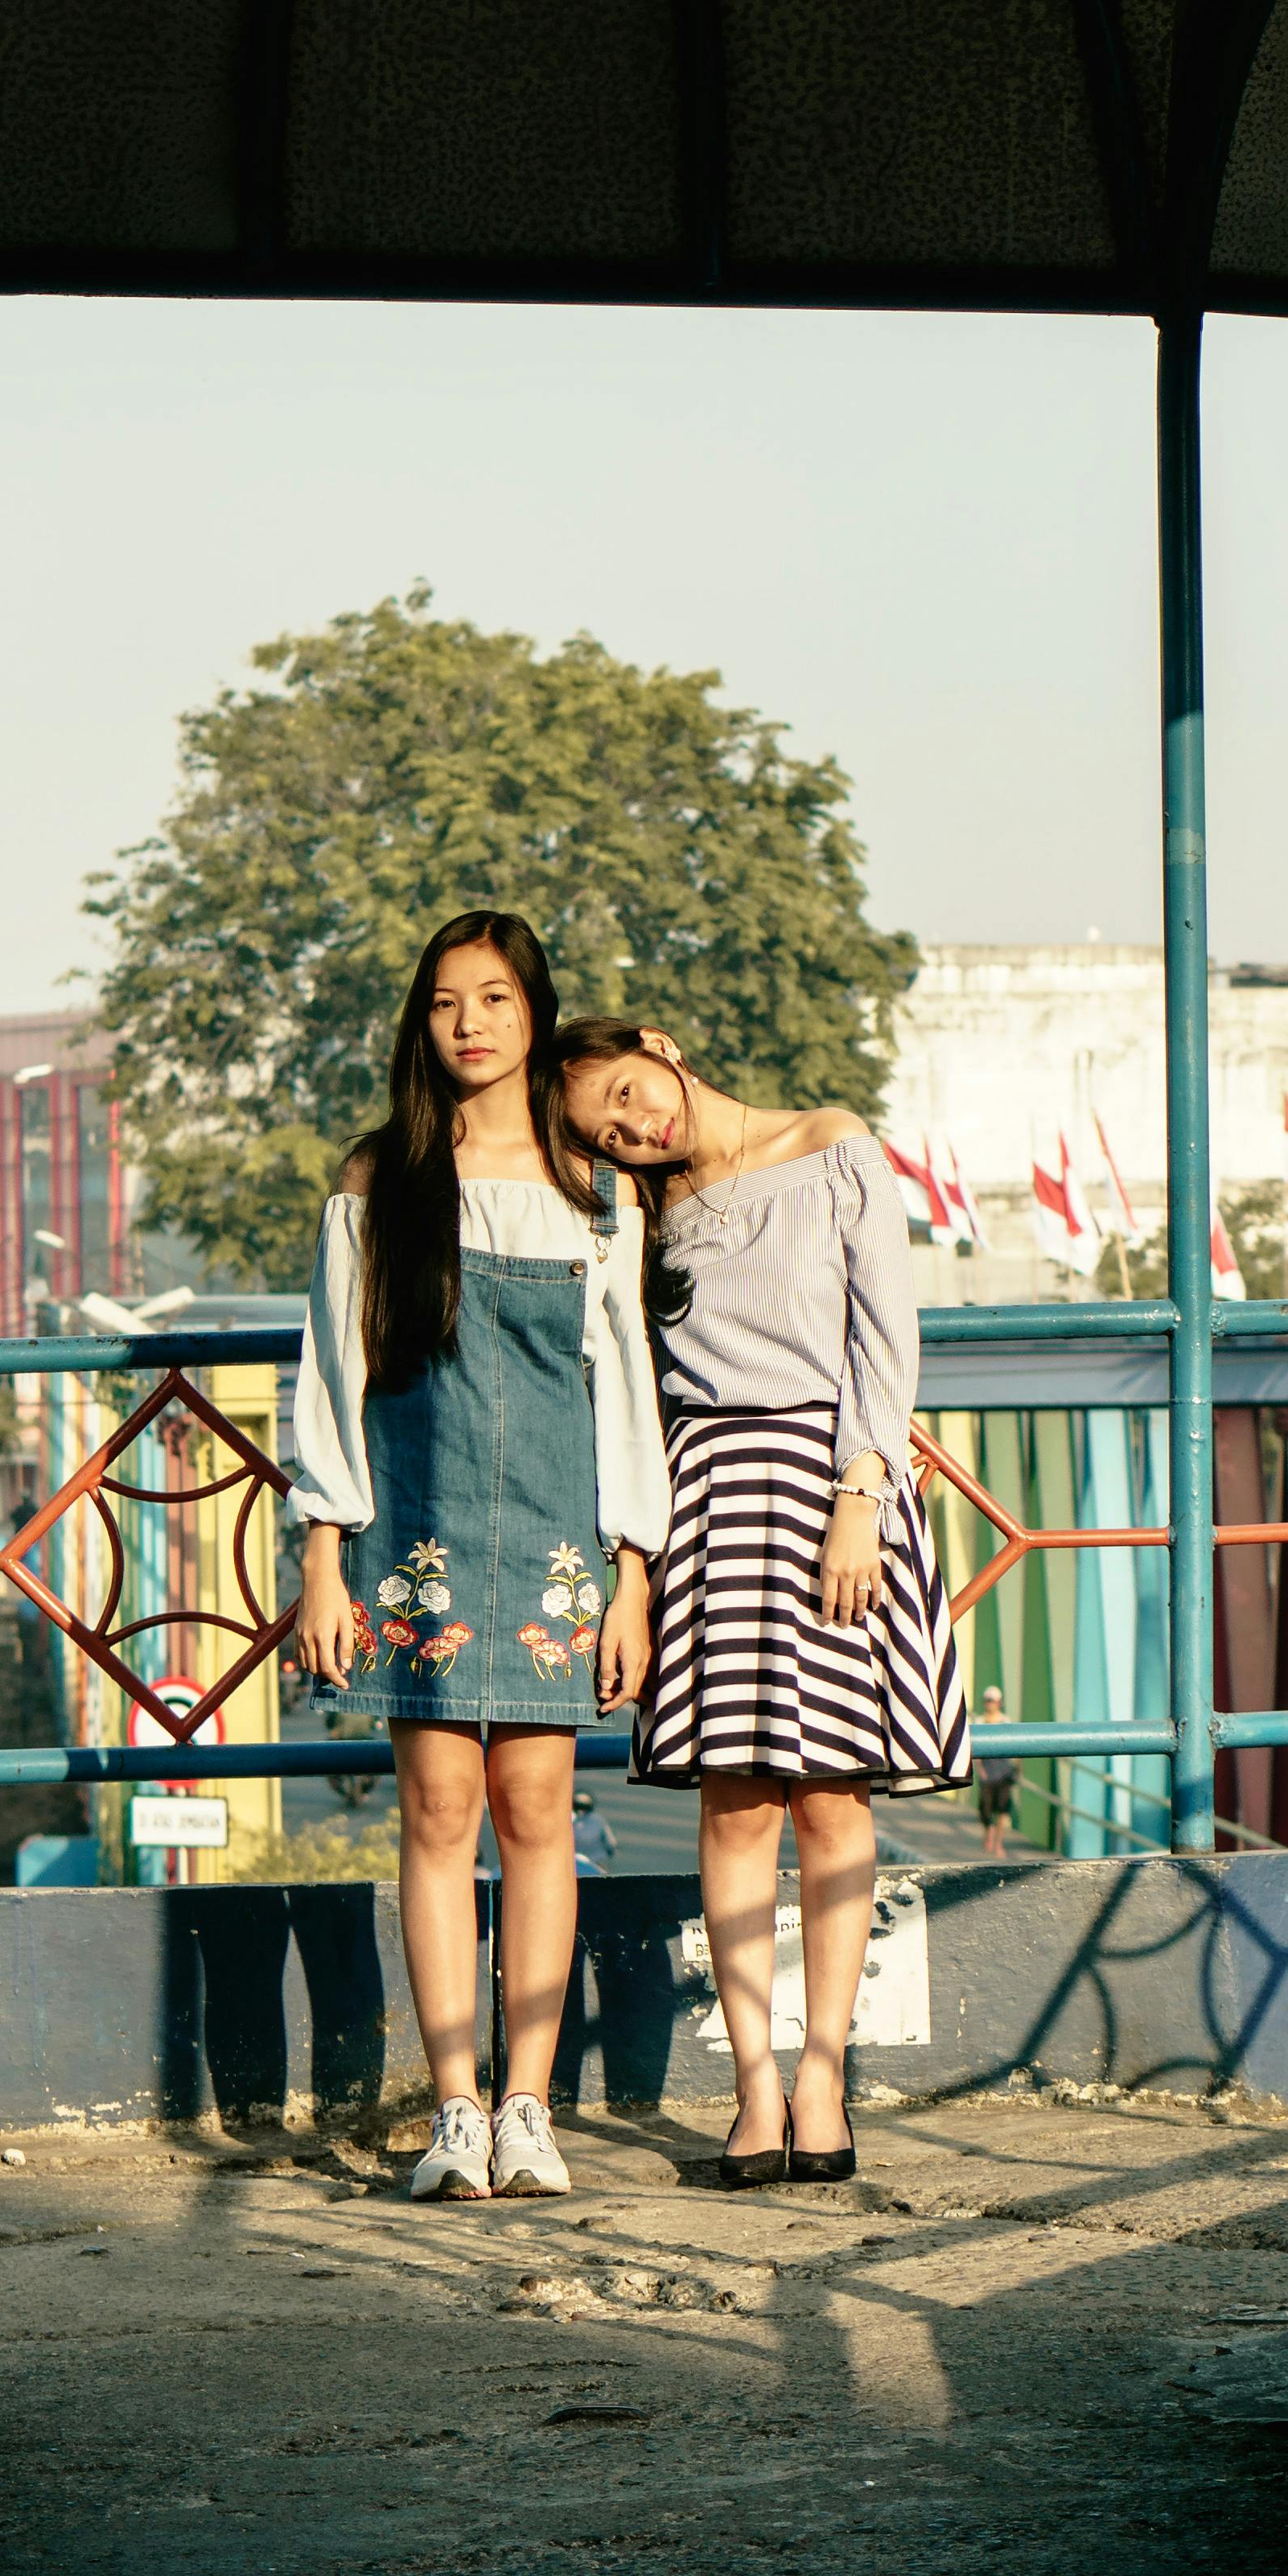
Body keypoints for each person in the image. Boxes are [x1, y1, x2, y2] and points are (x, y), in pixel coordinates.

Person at [555, 1016, 969, 2189]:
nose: (640, 1126)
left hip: (833, 1485)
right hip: (705, 1499)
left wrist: (860, 1495)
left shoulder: (834, 1145)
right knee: (736, 1806)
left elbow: (885, 1342)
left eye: (634, 1091)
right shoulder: (636, 1215)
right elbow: (628, 1381)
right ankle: (749, 2087)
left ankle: (825, 2077)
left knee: (834, 1796)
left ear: (663, 1044)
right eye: (611, 1129)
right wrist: (633, 1558)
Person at [293, 913, 669, 2202]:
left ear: (533, 1014)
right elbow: (331, 1379)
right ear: (421, 1022)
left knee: (539, 1817)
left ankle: (527, 2104)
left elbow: (626, 1390)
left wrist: (634, 1571)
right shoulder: (374, 1180)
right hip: (420, 1534)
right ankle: (452, 2110)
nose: (469, 1024)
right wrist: (321, 1555)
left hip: (562, 1542)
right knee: (438, 1815)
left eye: (495, 1000)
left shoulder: (595, 1192)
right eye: (447, 1002)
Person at [973, 1686, 1018, 1856]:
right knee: (985, 1809)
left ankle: (998, 1843)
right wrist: (979, 1768)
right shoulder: (979, 1722)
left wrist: (1017, 1768)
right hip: (987, 1771)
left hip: (1003, 1771)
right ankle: (988, 1833)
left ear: (999, 1703)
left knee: (1002, 1810)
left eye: (992, 1701)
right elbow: (974, 1746)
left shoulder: (1006, 1722)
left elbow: (1015, 1745)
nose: (990, 1704)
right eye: (987, 1701)